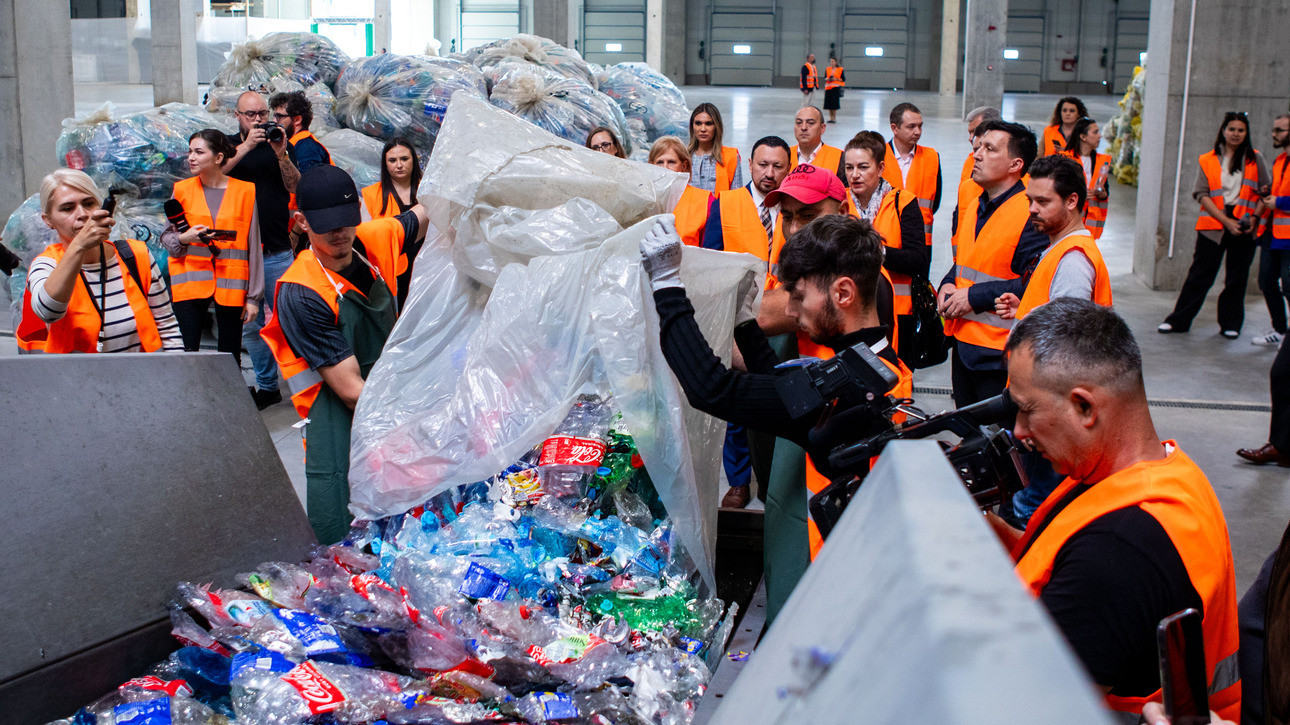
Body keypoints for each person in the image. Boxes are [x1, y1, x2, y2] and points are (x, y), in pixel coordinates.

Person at [641, 211, 911, 621]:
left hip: (842, 587)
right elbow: (782, 388)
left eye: (799, 296)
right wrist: (744, 321)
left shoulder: (845, 391)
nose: (790, 310)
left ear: (843, 293)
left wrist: (666, 285)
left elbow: (712, 389)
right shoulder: (877, 362)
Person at [989, 298, 1241, 722]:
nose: (1018, 431)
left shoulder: (1118, 551)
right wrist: (981, 525)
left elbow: (1026, 708)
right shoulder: (1161, 474)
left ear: (1085, 407)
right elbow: (1053, 562)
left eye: (1027, 410)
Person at [261, 165, 429, 544]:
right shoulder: (302, 292)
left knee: (407, 521)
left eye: (346, 220)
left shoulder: (371, 239)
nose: (339, 233)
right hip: (339, 421)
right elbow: (352, 391)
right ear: (302, 222)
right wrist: (419, 417)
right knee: (347, 528)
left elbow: (426, 212)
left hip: (389, 400)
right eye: (326, 225)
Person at [993, 155, 1113, 524]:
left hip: (1046, 413)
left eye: (1043, 201)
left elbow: (1064, 352)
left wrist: (1035, 416)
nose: (1032, 209)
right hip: (1045, 409)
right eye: (1030, 200)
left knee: (1029, 510)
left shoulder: (1073, 261)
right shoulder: (1061, 250)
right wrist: (1026, 311)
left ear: (1072, 200)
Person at [701, 136, 793, 510]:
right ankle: (739, 481)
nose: (769, 173)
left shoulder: (795, 208)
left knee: (782, 398)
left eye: (778, 166)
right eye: (763, 165)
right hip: (737, 319)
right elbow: (709, 261)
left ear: (788, 168)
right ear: (750, 165)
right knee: (737, 401)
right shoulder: (725, 204)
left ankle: (776, 480)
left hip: (784, 319)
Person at [939, 119, 1047, 407]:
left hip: (999, 355)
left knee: (997, 433)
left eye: (990, 149)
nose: (977, 154)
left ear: (1015, 165)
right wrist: (947, 283)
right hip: (964, 345)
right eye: (979, 147)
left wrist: (973, 296)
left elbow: (1035, 282)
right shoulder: (977, 204)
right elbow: (967, 260)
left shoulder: (1030, 214)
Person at [17, 169, 182, 353]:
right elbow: (48, 312)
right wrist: (79, 245)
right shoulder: (46, 265)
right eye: (67, 208)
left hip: (140, 371)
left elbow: (167, 327)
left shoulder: (137, 255)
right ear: (48, 220)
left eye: (89, 204)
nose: (82, 214)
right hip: (77, 373)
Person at [1159, 111, 1270, 338]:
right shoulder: (1208, 159)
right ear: (1223, 131)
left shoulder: (1255, 158)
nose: (1236, 134)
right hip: (1214, 224)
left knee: (1236, 278)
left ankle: (1231, 324)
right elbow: (1201, 193)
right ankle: (1178, 320)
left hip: (1245, 224)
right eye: (1232, 129)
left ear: (1246, 133)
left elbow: (1265, 192)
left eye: (1241, 130)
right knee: (1200, 275)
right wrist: (1225, 220)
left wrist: (1255, 219)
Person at [164, 129, 264, 370]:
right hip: (190, 282)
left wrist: (253, 298)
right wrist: (184, 238)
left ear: (218, 157)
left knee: (230, 357)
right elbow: (167, 238)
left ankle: (228, 395)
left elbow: (253, 244)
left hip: (232, 284)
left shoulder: (245, 191)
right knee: (187, 355)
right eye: (190, 152)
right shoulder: (182, 190)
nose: (191, 157)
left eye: (199, 152)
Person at [226, 90, 300, 410]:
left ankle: (308, 385)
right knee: (250, 327)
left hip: (277, 249)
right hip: (239, 254)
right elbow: (212, 176)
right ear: (237, 116)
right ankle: (268, 386)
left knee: (292, 320)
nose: (258, 120)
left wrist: (281, 154)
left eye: (262, 114)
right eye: (250, 115)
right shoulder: (227, 146)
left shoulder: (279, 142)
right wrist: (246, 146)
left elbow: (295, 186)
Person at [842, 131, 927, 364]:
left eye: (863, 167)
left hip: (897, 311)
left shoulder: (902, 202)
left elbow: (918, 259)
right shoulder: (840, 203)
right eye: (849, 168)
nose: (855, 175)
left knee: (895, 372)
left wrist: (875, 251)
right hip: (851, 311)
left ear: (880, 168)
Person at [361, 136, 427, 309]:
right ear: (385, 164)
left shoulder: (428, 191)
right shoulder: (372, 195)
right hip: (392, 270)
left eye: (404, 159)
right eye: (392, 160)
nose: (399, 165)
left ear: (413, 160)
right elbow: (365, 239)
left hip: (425, 265)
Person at [882, 102, 942, 248]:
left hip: (920, 239)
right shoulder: (879, 155)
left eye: (920, 126)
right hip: (886, 240)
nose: (917, 132)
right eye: (911, 126)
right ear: (894, 128)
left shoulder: (931, 157)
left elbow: (935, 202)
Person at [1253, 113, 1290, 346]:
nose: (1274, 134)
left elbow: (1281, 198)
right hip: (1272, 234)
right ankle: (1280, 330)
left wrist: (1279, 202)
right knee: (1267, 282)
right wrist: (1268, 193)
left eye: (1279, 130)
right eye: (1274, 129)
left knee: (1289, 287)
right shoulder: (1280, 161)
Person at [649, 136, 712, 247]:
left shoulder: (705, 201)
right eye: (659, 162)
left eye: (671, 162)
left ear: (684, 165)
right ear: (651, 165)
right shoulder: (644, 200)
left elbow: (710, 250)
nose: (665, 168)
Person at [1061, 117, 1111, 240]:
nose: (1099, 136)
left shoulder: (1101, 162)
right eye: (1095, 132)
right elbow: (1058, 188)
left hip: (1090, 227)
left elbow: (1105, 189)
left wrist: (1103, 194)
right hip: (1069, 224)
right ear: (1083, 137)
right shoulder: (1066, 159)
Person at [270, 90, 332, 175]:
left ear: (297, 120)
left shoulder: (307, 149)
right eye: (274, 116)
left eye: (279, 116)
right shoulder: (293, 144)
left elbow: (308, 182)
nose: (274, 121)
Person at [688, 103, 743, 193]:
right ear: (692, 126)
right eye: (698, 123)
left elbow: (736, 195)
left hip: (721, 203)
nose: (703, 129)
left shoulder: (731, 157)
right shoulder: (683, 157)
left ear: (717, 126)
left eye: (708, 124)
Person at [788, 107, 842, 176]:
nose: (803, 128)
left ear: (822, 128)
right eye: (799, 123)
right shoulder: (785, 155)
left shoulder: (839, 158)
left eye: (810, 123)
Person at [822, 57, 845, 124]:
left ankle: (834, 118)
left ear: (836, 62)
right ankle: (831, 118)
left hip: (835, 88)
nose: (831, 63)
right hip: (828, 88)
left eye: (833, 61)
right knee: (829, 104)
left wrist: (836, 79)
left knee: (834, 103)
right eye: (831, 61)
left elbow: (843, 79)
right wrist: (827, 79)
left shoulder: (840, 69)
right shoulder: (828, 69)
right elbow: (825, 77)